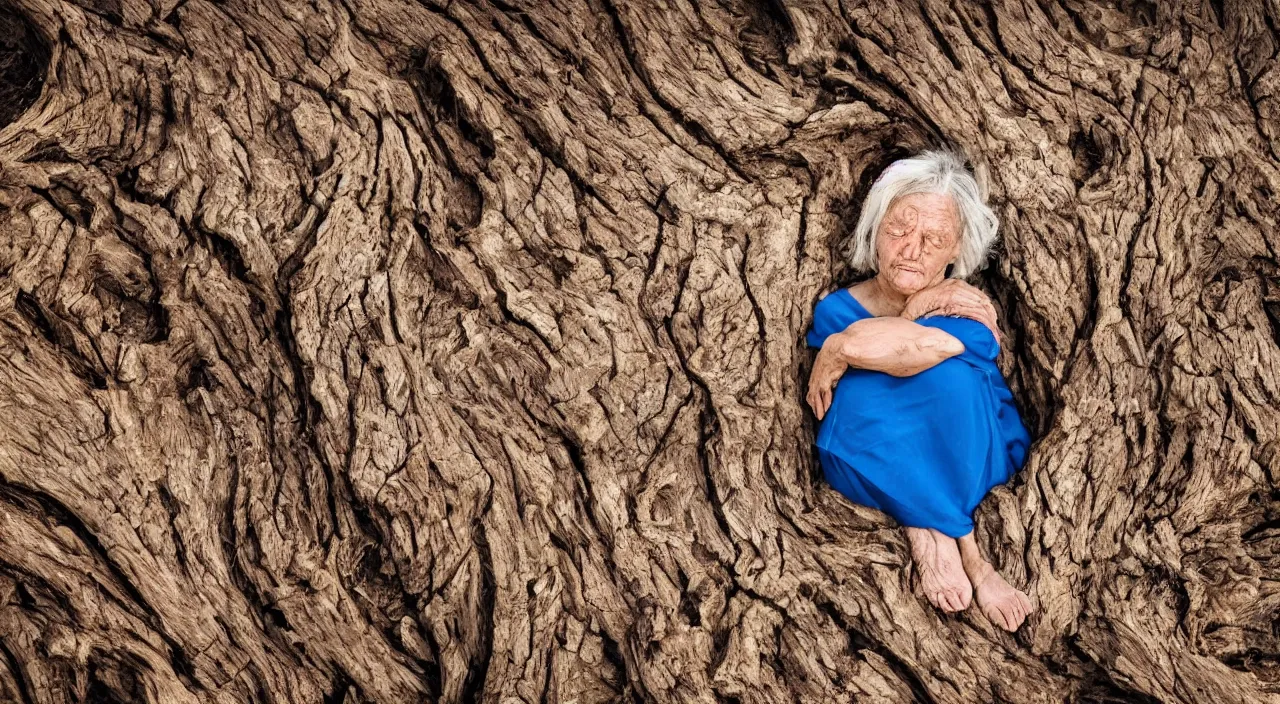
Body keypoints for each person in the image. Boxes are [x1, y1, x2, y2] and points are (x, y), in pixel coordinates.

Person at [805, 149, 1035, 631]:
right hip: (869, 457)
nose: (912, 249)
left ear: (955, 250)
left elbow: (911, 349)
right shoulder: (835, 310)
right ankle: (968, 553)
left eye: (933, 239)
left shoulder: (966, 307)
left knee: (945, 378)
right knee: (862, 399)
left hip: (967, 452)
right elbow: (881, 364)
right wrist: (858, 343)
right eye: (899, 230)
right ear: (875, 227)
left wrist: (848, 346)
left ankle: (939, 537)